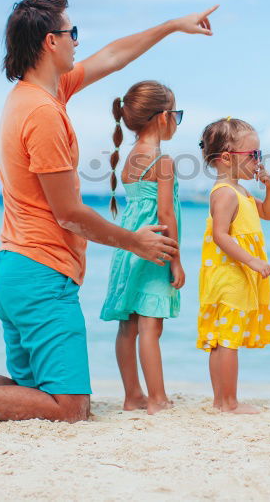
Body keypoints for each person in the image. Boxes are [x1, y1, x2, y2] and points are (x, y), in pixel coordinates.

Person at [0, 0, 217, 429]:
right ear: (50, 42)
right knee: (70, 407)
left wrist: (171, 25)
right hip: (41, 273)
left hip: (16, 270)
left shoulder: (40, 94)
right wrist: (136, 241)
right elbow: (69, 213)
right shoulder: (43, 114)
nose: (78, 41)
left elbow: (112, 57)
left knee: (30, 389)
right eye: (72, 32)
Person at [100, 80, 185, 414]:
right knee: (152, 325)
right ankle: (157, 399)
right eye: (176, 114)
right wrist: (175, 261)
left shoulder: (131, 156)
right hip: (155, 247)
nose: (177, 121)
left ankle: (132, 396)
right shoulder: (161, 160)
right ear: (162, 117)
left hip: (129, 246)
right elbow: (166, 214)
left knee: (129, 324)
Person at [196, 117, 270, 414]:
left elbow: (268, 214)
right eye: (253, 155)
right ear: (228, 157)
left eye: (260, 155)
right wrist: (253, 260)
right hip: (229, 273)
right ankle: (228, 402)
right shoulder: (226, 193)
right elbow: (220, 236)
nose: (258, 161)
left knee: (224, 338)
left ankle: (221, 402)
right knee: (227, 340)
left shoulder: (241, 191)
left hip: (237, 273)